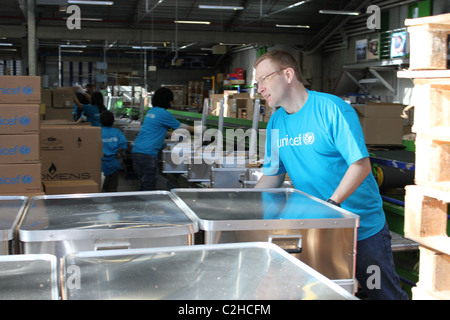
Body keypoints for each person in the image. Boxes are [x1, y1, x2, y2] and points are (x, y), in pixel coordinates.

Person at [253, 49, 408, 300]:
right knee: (324, 294)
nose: (259, 88)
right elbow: (272, 176)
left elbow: (360, 165)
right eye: (257, 82)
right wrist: (242, 205)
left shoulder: (331, 109)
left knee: (382, 294)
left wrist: (331, 207)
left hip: (361, 229)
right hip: (316, 230)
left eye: (263, 79)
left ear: (288, 74)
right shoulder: (276, 122)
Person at [132, 87, 194, 190]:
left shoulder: (152, 111)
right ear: (167, 100)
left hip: (137, 152)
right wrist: (199, 128)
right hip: (148, 154)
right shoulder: (164, 113)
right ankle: (146, 205)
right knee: (149, 187)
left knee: (145, 184)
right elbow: (182, 127)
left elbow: (158, 131)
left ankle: (143, 203)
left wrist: (174, 136)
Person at [100, 110, 128, 192]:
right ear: (113, 121)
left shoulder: (97, 131)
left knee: (100, 188)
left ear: (100, 121)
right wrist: (117, 152)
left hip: (100, 164)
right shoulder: (117, 132)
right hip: (114, 164)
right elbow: (123, 144)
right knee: (112, 189)